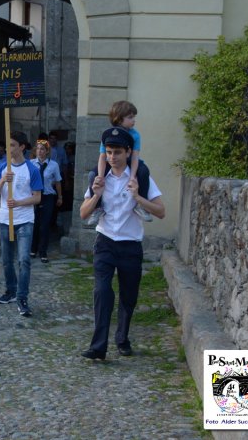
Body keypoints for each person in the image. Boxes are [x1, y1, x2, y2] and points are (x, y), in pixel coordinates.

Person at [79, 127, 165, 360]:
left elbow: (161, 212)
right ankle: (98, 347)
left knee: (128, 296)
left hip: (130, 245)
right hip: (105, 242)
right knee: (102, 292)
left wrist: (138, 198)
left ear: (128, 152)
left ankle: (122, 338)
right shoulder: (98, 177)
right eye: (108, 152)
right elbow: (83, 214)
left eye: (117, 152)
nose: (112, 157)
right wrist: (96, 195)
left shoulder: (141, 177)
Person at [0, 131, 42, 316]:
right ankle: (11, 291)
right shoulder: (2, 167)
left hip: (24, 220)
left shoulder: (32, 169)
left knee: (24, 260)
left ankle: (22, 297)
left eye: (12, 145)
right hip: (4, 220)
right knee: (6, 261)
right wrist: (4, 180)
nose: (8, 148)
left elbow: (37, 198)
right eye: (7, 145)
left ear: (21, 147)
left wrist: (18, 203)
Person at [88, 100, 152, 224]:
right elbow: (103, 156)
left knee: (144, 171)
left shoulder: (135, 135)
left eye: (134, 117)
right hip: (111, 161)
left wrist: (132, 177)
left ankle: (141, 206)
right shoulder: (107, 134)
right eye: (130, 117)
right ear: (119, 118)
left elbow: (135, 157)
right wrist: (100, 176)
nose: (134, 120)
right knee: (92, 175)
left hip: (129, 161)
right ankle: (97, 208)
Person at [30, 139, 63, 263]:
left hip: (48, 196)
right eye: (38, 149)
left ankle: (43, 251)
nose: (40, 151)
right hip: (34, 196)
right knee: (34, 223)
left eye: (42, 149)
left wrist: (60, 197)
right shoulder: (31, 163)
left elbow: (58, 182)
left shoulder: (53, 165)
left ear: (47, 151)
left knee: (44, 225)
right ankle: (33, 248)